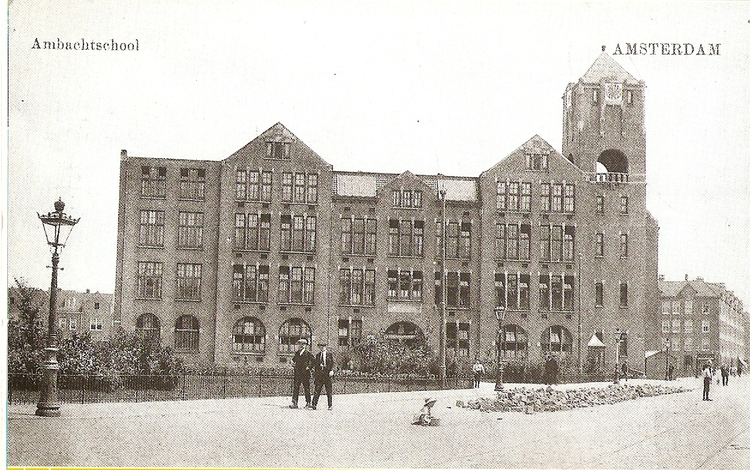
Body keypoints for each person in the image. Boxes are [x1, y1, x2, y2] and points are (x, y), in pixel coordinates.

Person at [290, 338, 314, 409]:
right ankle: (295, 403)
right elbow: (293, 360)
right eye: (300, 344)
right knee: (296, 387)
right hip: (297, 373)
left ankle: (308, 403)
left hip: (305, 373)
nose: (302, 346)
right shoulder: (297, 353)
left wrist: (309, 367)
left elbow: (313, 361)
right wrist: (291, 362)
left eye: (303, 344)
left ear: (306, 345)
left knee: (306, 388)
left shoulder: (308, 353)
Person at [312, 342, 334, 410]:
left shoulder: (330, 355)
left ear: (326, 347)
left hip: (327, 375)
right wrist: (315, 375)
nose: (322, 348)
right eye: (320, 346)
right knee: (317, 390)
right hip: (320, 376)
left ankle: (330, 405)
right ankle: (314, 404)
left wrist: (332, 370)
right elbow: (316, 366)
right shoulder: (318, 355)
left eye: (323, 346)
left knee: (329, 391)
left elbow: (334, 364)